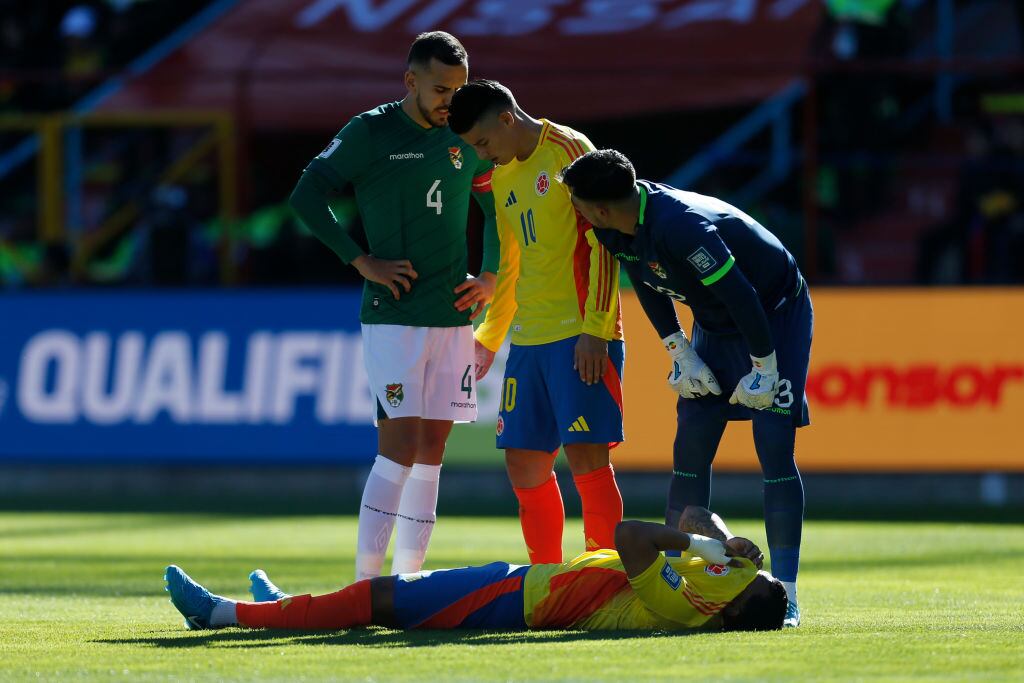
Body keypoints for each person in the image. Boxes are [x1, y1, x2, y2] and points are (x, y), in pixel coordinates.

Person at [559, 150, 812, 628]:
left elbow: (743, 295)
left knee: (773, 445)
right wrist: (679, 350)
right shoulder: (615, 224)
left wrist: (765, 365)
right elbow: (645, 280)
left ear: (601, 207)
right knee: (692, 442)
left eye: (579, 204)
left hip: (774, 316)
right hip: (715, 327)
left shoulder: (682, 228)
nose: (577, 212)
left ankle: (788, 592)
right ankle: (688, 573)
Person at [288, 31, 500, 581]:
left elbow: (494, 205)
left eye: (458, 87)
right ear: (410, 81)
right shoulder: (370, 130)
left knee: (432, 451)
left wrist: (491, 274)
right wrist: (361, 261)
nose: (450, 100)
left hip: (454, 317)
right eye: (439, 88)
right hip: (395, 316)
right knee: (400, 448)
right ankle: (365, 584)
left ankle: (407, 583)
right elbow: (306, 196)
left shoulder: (463, 134)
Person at [446, 80, 625, 563]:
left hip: (580, 335)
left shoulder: (568, 150)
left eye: (483, 143)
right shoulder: (501, 178)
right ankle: (547, 583)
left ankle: (604, 579)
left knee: (588, 459)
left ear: (506, 119)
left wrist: (596, 330)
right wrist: (489, 337)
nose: (482, 155)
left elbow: (603, 241)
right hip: (528, 342)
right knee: (523, 464)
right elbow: (509, 264)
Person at [165, 506, 787, 633]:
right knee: (372, 601)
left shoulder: (686, 604)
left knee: (376, 599)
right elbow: (693, 511)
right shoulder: (720, 593)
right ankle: (281, 609)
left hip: (507, 604)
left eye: (746, 578)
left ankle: (221, 613)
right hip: (515, 585)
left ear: (732, 605)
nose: (740, 569)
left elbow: (630, 534)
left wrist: (707, 552)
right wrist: (728, 540)